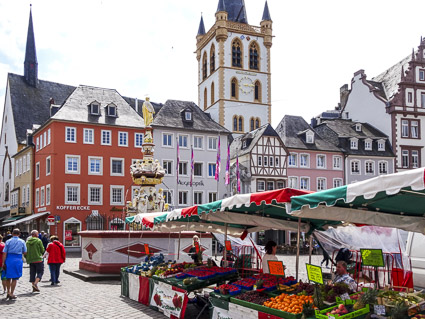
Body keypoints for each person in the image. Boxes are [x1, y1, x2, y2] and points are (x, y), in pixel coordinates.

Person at [2, 228, 27, 300]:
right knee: (15, 278)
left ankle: (8, 292)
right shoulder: (22, 241)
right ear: (19, 234)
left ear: (12, 234)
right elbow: (25, 252)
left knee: (8, 277)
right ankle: (12, 293)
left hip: (9, 259)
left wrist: (3, 262)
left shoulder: (8, 241)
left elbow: (4, 253)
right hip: (17, 260)